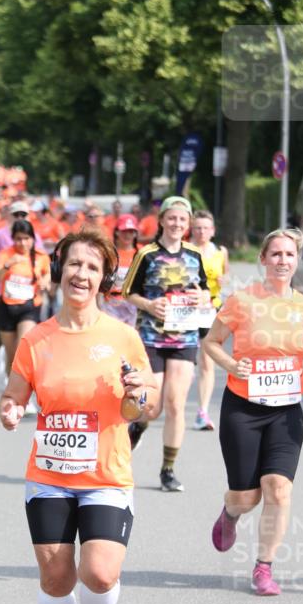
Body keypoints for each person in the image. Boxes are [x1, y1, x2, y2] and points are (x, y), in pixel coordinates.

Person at [0, 229, 156, 604]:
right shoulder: (37, 339)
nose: (81, 274)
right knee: (57, 577)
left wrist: (135, 399)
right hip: (48, 475)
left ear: (104, 278)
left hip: (106, 473)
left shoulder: (123, 338)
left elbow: (140, 409)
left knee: (101, 573)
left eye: (92, 267)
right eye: (74, 265)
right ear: (59, 271)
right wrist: (10, 409)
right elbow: (15, 394)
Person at [204, 227, 303, 596]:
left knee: (278, 489)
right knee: (247, 497)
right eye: (275, 254)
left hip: (286, 410)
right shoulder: (242, 301)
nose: (282, 261)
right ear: (263, 259)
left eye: (289, 255)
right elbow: (211, 342)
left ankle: (263, 567)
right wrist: (230, 364)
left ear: (297, 260)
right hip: (243, 408)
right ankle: (230, 513)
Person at [122, 195, 210, 492]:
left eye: (182, 220)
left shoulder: (195, 254)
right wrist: (149, 305)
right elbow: (127, 292)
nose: (177, 224)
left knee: (176, 404)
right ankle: (139, 426)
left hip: (184, 337)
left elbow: (206, 293)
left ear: (188, 224)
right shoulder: (146, 254)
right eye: (172, 218)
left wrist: (202, 299)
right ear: (161, 220)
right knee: (152, 407)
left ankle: (168, 470)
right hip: (152, 337)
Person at [0, 219, 52, 387]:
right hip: (7, 308)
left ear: (33, 239)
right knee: (11, 355)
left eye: (26, 238)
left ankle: (26, 395)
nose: (22, 243)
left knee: (22, 351)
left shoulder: (40, 257)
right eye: (18, 239)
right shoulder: (6, 254)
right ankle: (13, 393)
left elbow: (49, 275)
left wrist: (46, 281)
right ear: (13, 239)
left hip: (29, 308)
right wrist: (7, 266)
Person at [190, 209, 229, 431]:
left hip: (210, 310)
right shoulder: (184, 250)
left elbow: (225, 276)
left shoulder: (220, 252)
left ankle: (202, 412)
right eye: (197, 227)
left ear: (213, 231)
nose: (202, 231)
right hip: (184, 312)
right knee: (183, 364)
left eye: (205, 228)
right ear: (192, 230)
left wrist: (224, 281)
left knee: (207, 361)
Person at [99, 214, 139, 327]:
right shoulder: (108, 253)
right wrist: (99, 305)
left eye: (131, 231)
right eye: (124, 231)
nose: (127, 235)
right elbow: (100, 283)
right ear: (117, 232)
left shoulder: (141, 253)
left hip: (134, 305)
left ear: (135, 233)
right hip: (111, 305)